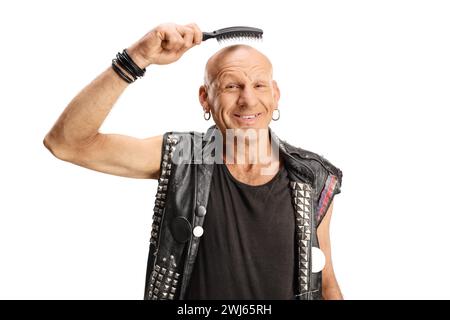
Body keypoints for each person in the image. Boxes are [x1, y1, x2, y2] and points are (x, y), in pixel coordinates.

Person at [43, 22, 344, 300]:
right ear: (205, 98)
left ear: (276, 95)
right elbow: (67, 143)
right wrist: (136, 58)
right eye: (231, 86)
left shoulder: (311, 175)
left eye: (259, 85)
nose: (248, 100)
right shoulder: (183, 156)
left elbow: (325, 281)